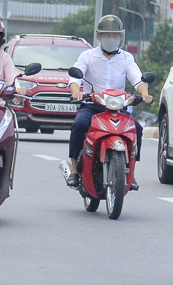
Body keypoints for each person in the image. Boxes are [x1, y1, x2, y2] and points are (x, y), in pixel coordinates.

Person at [63, 14, 154, 180]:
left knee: (137, 129)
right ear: (99, 37)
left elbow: (137, 79)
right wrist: (76, 91)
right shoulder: (87, 56)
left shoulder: (127, 58)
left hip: (119, 108)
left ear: (120, 37)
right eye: (107, 35)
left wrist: (145, 94)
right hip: (92, 106)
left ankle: (130, 171)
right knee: (79, 125)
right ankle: (75, 170)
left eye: (115, 35)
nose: (111, 38)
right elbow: (75, 77)